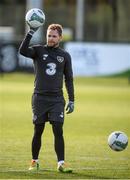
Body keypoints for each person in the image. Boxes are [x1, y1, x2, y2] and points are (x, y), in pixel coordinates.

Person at [19, 23, 74, 173]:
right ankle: (34, 161)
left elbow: (68, 79)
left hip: (56, 99)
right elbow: (22, 50)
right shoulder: (38, 50)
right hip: (40, 98)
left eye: (54, 36)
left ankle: (61, 163)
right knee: (38, 130)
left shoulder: (65, 56)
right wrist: (30, 33)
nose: (50, 38)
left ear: (60, 38)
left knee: (58, 129)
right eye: (49, 35)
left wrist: (72, 99)